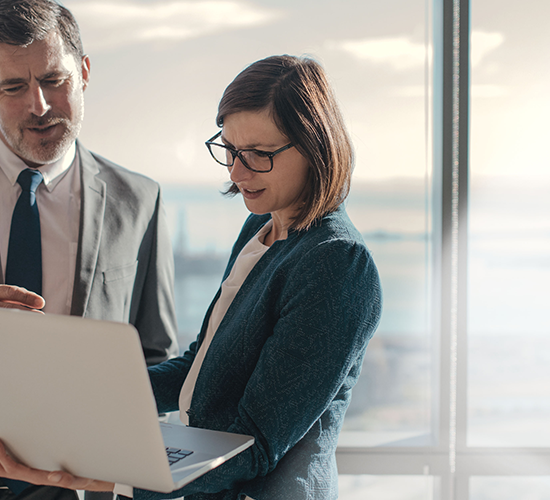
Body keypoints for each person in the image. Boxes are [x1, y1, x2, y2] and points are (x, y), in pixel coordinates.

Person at [0, 55, 382, 500]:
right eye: (231, 151)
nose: (238, 174)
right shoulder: (261, 230)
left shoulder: (338, 262)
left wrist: (113, 474)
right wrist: (76, 392)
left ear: (316, 146)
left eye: (259, 155)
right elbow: (198, 370)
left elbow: (257, 445)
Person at [0, 0, 178, 499]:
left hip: (88, 486)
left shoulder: (140, 199)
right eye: (13, 87)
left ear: (84, 73)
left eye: (53, 79)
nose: (38, 105)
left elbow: (155, 355)